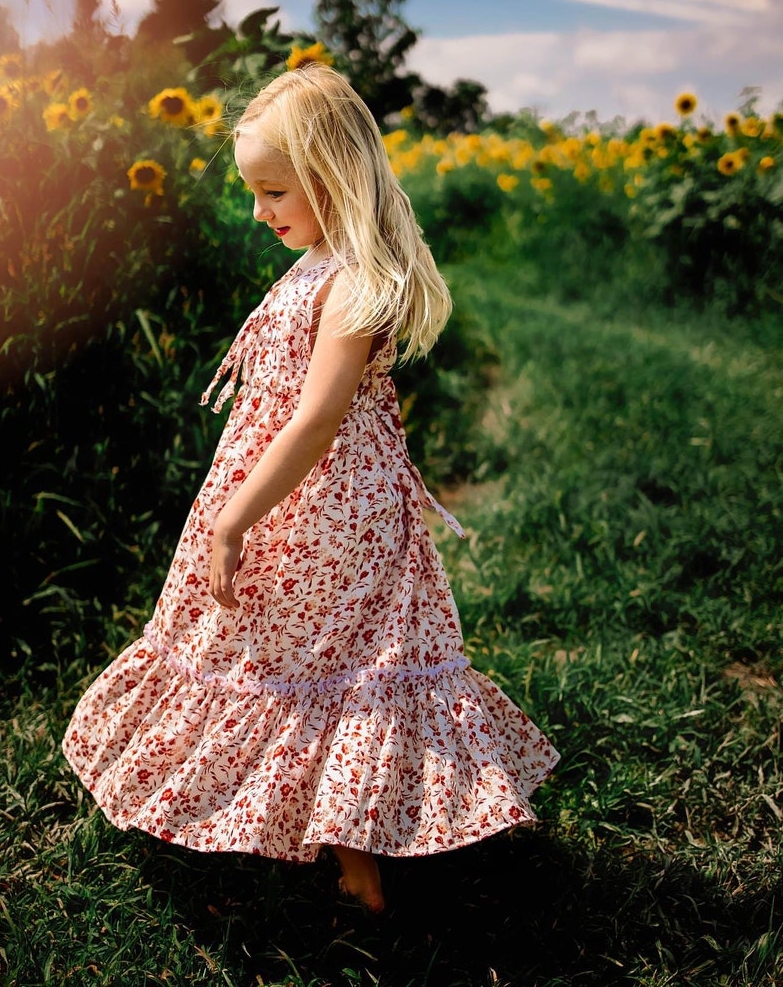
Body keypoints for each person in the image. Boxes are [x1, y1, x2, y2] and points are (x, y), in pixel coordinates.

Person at [62, 62, 559, 914]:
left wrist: (232, 521)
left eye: (272, 191)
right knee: (302, 660)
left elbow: (318, 419)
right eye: (253, 192)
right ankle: (335, 841)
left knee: (345, 668)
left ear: (332, 176)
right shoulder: (321, 262)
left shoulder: (358, 282)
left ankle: (359, 863)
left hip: (331, 514)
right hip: (302, 505)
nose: (259, 212)